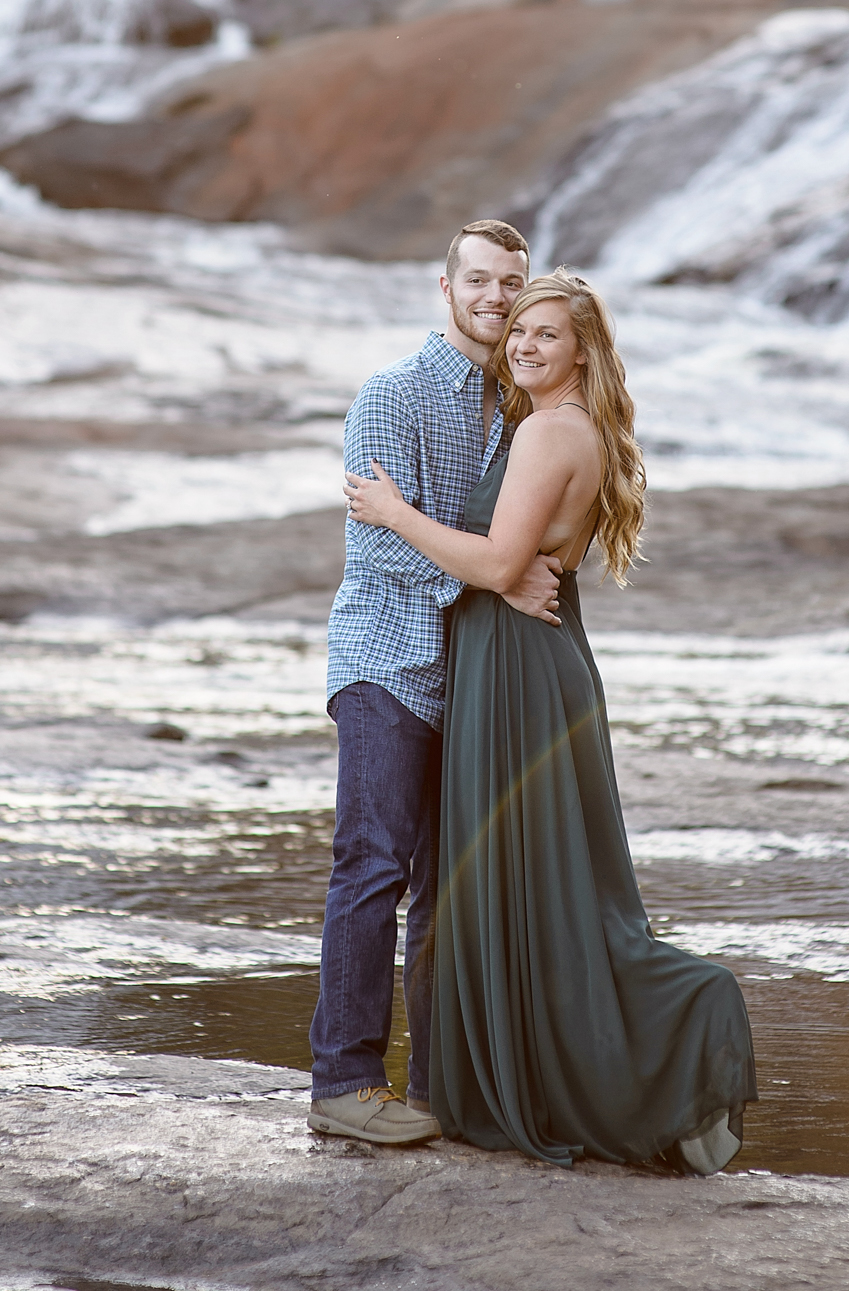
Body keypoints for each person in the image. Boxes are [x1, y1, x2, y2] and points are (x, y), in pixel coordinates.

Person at [345, 271, 757, 1173]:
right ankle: (519, 1074)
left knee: (538, 884)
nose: (525, 344)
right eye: (518, 330)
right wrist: (503, 565)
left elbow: (497, 561)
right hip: (529, 658)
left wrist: (391, 509)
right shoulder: (570, 427)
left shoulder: (546, 431)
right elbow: (516, 559)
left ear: (582, 351)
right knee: (535, 880)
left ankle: (688, 1010)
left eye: (546, 334)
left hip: (519, 668)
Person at [308, 221, 564, 1147]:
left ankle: (433, 1084)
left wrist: (512, 564)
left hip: (471, 678)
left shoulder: (520, 400)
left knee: (448, 888)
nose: (496, 297)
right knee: (370, 865)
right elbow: (377, 544)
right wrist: (494, 571)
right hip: (384, 659)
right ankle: (341, 1081)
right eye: (480, 280)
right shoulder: (393, 393)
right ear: (444, 287)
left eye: (512, 283)